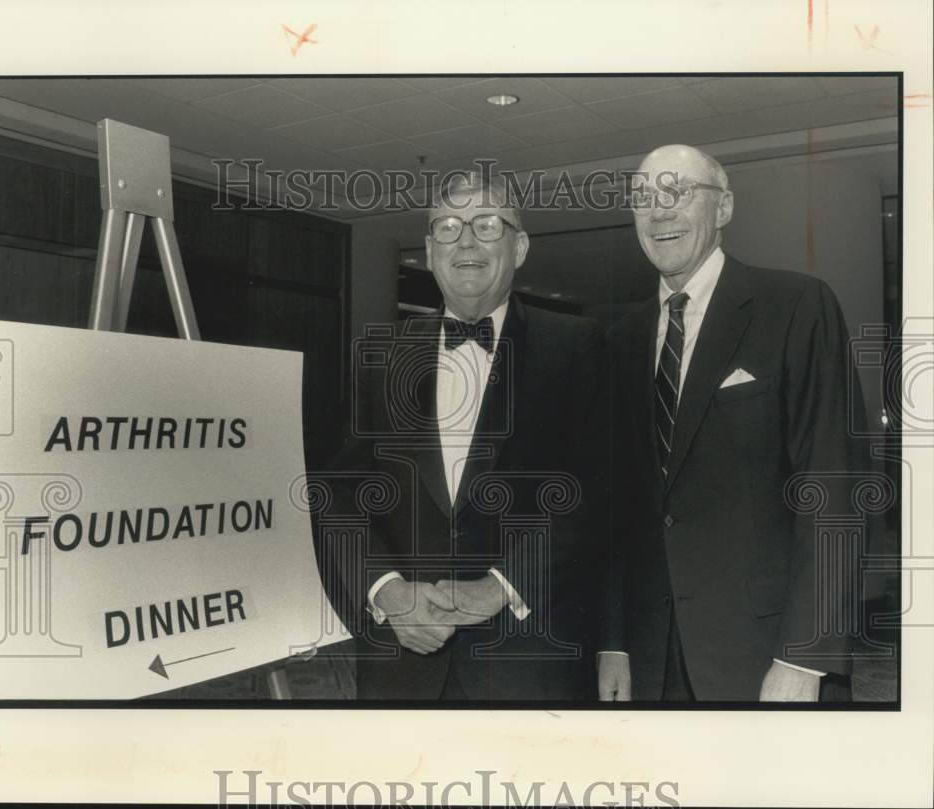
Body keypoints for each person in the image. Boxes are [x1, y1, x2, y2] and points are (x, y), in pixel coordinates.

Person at [597, 144, 868, 702]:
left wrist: (805, 656)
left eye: (677, 193)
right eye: (644, 199)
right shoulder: (618, 336)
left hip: (768, 656)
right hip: (650, 662)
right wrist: (615, 642)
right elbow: (616, 511)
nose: (659, 212)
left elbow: (834, 485)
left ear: (723, 209)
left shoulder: (794, 305)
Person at [324, 172, 602, 700]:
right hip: (401, 667)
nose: (466, 241)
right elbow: (339, 495)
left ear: (519, 247)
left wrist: (499, 588)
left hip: (530, 664)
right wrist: (386, 591)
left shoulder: (580, 347)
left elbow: (597, 495)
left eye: (487, 225)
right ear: (429, 252)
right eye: (448, 227)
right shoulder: (382, 354)